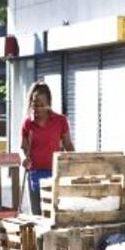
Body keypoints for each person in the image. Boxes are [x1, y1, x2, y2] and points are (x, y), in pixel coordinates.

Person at [20, 82, 74, 215]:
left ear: (48, 103)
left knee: (54, 213)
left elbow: (68, 145)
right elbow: (22, 148)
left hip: (55, 174)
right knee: (37, 214)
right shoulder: (28, 123)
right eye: (34, 105)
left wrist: (74, 164)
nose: (37, 109)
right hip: (34, 174)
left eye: (41, 105)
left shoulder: (60, 121)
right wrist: (24, 158)